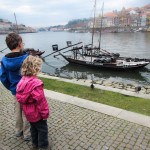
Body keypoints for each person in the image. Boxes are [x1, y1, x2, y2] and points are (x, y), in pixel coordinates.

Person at [0, 32, 31, 141]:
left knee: (17, 110)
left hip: (15, 90)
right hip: (27, 90)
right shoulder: (27, 58)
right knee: (27, 111)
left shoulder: (4, 60)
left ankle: (18, 130)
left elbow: (2, 76)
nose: (23, 44)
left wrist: (11, 87)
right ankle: (27, 133)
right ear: (19, 44)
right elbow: (31, 74)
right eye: (22, 42)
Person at [16, 55, 50, 150]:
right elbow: (41, 102)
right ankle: (43, 146)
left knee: (33, 128)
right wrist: (45, 114)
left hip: (28, 113)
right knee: (42, 130)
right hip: (37, 113)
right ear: (36, 68)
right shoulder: (36, 84)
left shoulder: (21, 81)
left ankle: (34, 144)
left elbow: (20, 97)